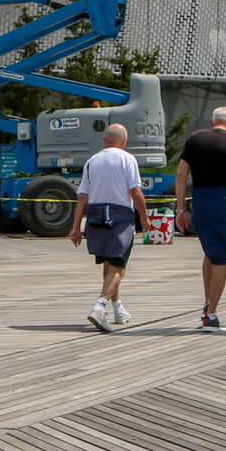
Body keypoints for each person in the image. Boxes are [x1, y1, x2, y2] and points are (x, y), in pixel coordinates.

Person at [175, 106, 226, 331]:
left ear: (213, 122)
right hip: (225, 200)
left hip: (200, 200)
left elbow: (181, 175)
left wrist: (180, 209)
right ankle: (211, 315)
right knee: (223, 254)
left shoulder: (194, 139)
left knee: (211, 251)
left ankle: (208, 302)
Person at [70, 124, 151, 333]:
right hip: (120, 216)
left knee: (109, 263)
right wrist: (144, 216)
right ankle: (100, 306)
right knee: (118, 265)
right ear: (124, 140)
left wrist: (75, 227)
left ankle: (118, 308)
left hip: (96, 215)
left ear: (106, 140)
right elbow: (136, 191)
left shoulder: (92, 161)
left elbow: (82, 197)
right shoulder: (127, 159)